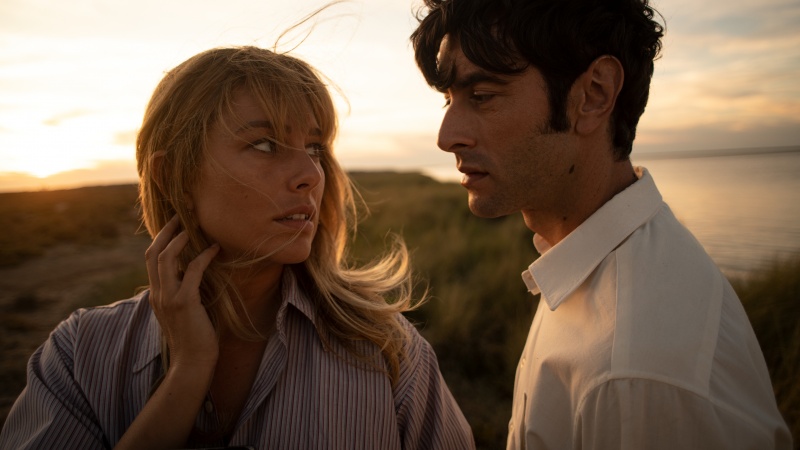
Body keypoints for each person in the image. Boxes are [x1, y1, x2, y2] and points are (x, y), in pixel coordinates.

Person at [0, 45, 474, 449]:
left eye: (315, 147)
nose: (310, 175)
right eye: (265, 145)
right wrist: (189, 371)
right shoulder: (80, 356)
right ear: (175, 176)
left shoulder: (386, 350)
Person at [410, 0, 792, 448]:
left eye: (482, 96)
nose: (447, 136)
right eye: (449, 99)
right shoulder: (592, 262)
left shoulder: (636, 376)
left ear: (594, 95)